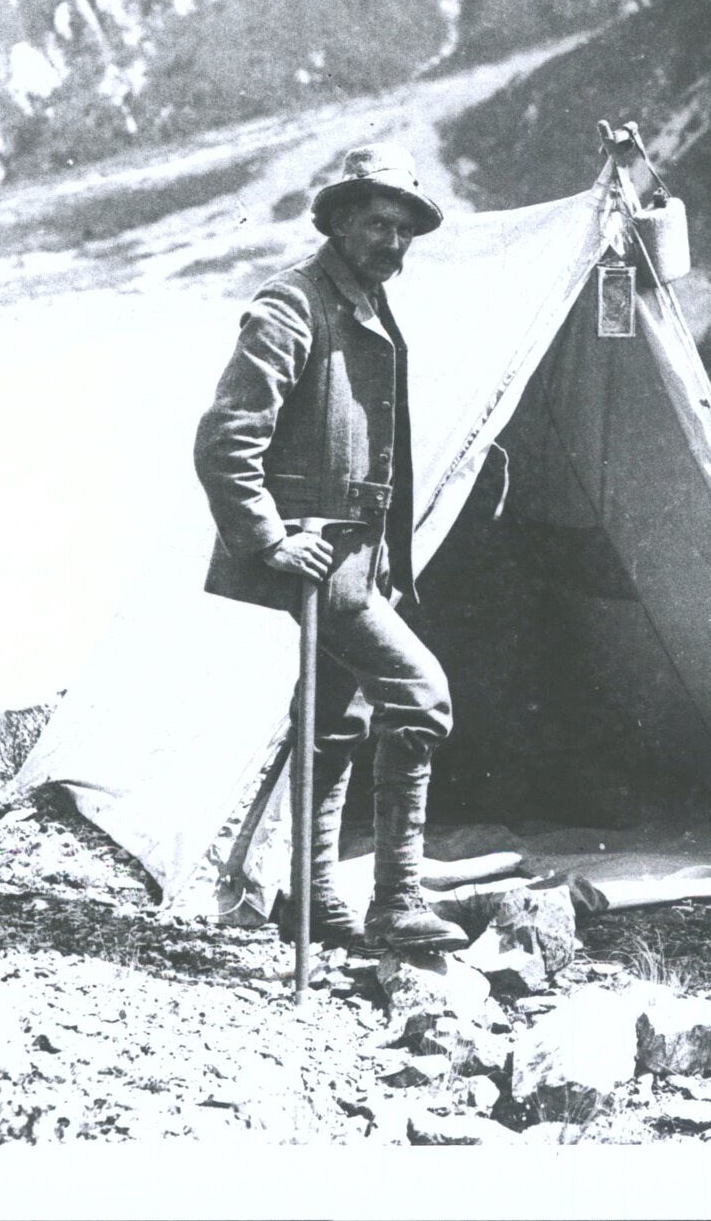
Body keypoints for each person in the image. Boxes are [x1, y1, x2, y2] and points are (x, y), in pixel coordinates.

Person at [193, 143, 467, 953]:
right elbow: (226, 439)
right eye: (378, 224)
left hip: (359, 562)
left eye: (404, 230)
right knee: (420, 696)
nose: (393, 242)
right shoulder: (293, 304)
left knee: (335, 721)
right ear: (339, 223)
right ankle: (397, 903)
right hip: (321, 561)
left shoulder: (364, 303)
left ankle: (310, 901)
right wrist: (268, 538)